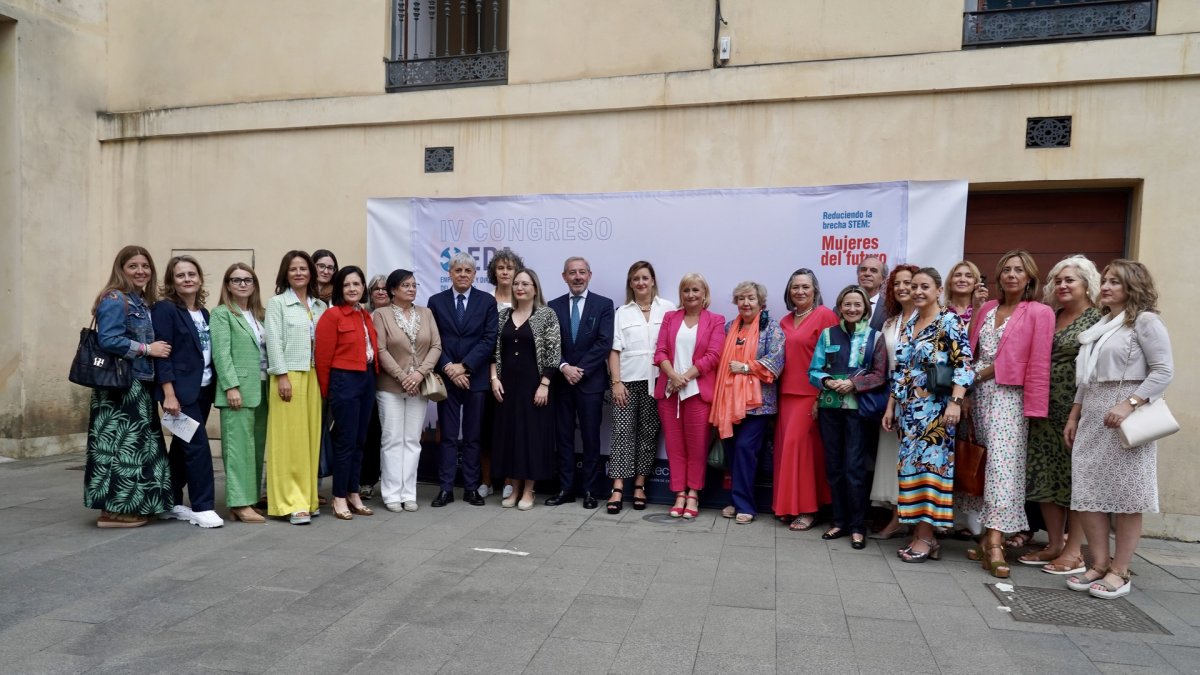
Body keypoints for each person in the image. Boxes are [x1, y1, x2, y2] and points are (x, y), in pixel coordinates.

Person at [1064, 259, 1173, 599]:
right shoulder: (1103, 325)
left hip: (1127, 416)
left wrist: (1129, 404)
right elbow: (1087, 378)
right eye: (1106, 280)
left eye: (1115, 282)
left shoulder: (1146, 321)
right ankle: (1098, 563)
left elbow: (1163, 370)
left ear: (1133, 287)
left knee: (1127, 496)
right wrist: (1074, 415)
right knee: (1088, 493)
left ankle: (1120, 571)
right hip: (1094, 414)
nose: (1106, 286)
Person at [964, 250, 1054, 578]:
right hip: (978, 396)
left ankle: (995, 544)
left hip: (1010, 397)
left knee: (1003, 469)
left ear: (1030, 277)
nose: (1012, 275)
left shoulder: (1040, 312)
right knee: (985, 465)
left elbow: (1038, 361)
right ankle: (986, 538)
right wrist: (965, 393)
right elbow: (970, 352)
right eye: (1006, 270)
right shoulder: (987, 308)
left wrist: (1036, 407)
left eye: (1019, 270)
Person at [883, 267, 973, 562]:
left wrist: (955, 402)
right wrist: (891, 406)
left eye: (924, 286)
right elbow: (902, 371)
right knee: (910, 471)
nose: (918, 291)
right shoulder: (910, 323)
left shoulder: (949, 321)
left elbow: (963, 364)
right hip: (909, 414)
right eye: (914, 286)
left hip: (936, 413)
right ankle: (921, 535)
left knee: (930, 471)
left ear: (938, 290)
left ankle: (926, 537)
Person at [1019, 255, 1102, 573]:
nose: (1063, 285)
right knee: (1045, 476)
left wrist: (1078, 415)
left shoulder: (1098, 320)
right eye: (1058, 280)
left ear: (1087, 284)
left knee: (1074, 479)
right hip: (1043, 409)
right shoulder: (1051, 316)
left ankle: (1074, 551)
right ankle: (1053, 544)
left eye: (1070, 280)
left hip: (1077, 411)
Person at [84, 245, 174, 528]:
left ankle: (129, 507)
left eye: (145, 266)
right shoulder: (115, 298)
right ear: (121, 269)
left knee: (135, 445)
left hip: (137, 382)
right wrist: (147, 348)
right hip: (121, 386)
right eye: (133, 266)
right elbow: (109, 340)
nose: (140, 271)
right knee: (122, 447)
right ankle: (115, 512)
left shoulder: (141, 301)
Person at [810, 285, 889, 550]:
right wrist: (828, 381)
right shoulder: (828, 334)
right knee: (833, 466)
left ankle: (857, 526)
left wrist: (854, 384)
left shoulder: (875, 337)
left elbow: (880, 374)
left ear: (865, 308)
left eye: (857, 304)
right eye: (847, 304)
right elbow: (814, 370)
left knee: (854, 468)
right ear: (840, 307)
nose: (852, 309)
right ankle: (839, 521)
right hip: (830, 407)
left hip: (858, 410)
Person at [152, 255, 222, 529]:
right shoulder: (165, 309)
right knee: (198, 448)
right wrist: (168, 394)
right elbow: (163, 355)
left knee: (181, 449)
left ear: (200, 278)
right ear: (172, 281)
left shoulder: (204, 313)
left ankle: (168, 501)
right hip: (179, 394)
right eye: (180, 275)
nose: (187, 279)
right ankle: (203, 507)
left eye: (191, 274)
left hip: (202, 390)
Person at [711, 281, 785, 524]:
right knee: (733, 451)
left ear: (760, 301)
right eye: (741, 298)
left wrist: (745, 367)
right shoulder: (729, 327)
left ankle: (745, 506)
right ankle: (736, 500)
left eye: (751, 298)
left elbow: (776, 362)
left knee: (745, 449)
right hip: (729, 402)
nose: (746, 303)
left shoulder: (771, 327)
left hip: (758, 405)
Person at [428, 252, 498, 507]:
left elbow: (489, 339)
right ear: (450, 273)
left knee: (473, 436)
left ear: (474, 274)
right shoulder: (436, 302)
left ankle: (471, 488)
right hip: (447, 379)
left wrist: (465, 367)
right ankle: (445, 489)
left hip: (475, 379)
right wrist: (449, 367)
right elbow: (434, 339)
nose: (463, 275)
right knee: (447, 436)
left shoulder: (486, 302)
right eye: (458, 270)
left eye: (468, 271)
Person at [264, 250, 327, 525]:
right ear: (285, 274)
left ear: (311, 273)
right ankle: (290, 502)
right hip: (288, 375)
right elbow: (273, 341)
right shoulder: (277, 303)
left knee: (309, 439)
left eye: (303, 268)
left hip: (313, 375)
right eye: (293, 269)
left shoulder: (320, 306)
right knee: (289, 441)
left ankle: (308, 498)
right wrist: (281, 375)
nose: (299, 273)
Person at [606, 261, 675, 514]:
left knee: (648, 434)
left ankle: (639, 485)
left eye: (645, 277)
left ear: (653, 280)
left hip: (657, 382)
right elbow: (614, 350)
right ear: (631, 283)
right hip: (626, 381)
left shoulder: (668, 309)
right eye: (636, 279)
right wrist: (616, 383)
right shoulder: (622, 312)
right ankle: (617, 488)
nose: (641, 282)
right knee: (622, 433)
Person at [491, 269, 562, 510]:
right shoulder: (503, 315)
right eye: (516, 284)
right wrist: (494, 378)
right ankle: (514, 488)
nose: (520, 288)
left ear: (535, 288)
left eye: (525, 284)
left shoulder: (546, 315)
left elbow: (553, 352)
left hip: (534, 386)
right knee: (510, 436)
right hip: (506, 387)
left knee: (532, 437)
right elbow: (493, 351)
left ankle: (529, 490)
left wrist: (544, 384)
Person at [655, 273, 724, 520]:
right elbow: (660, 352)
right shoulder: (670, 317)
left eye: (696, 290)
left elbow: (713, 356)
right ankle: (679, 494)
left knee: (697, 447)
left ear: (704, 294)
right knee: (674, 446)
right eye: (686, 290)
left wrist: (684, 377)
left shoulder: (715, 320)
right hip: (669, 393)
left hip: (697, 392)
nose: (691, 294)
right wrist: (673, 376)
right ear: (681, 294)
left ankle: (693, 493)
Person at [772, 268, 837, 531]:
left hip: (811, 394)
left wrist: (822, 396)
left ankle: (809, 509)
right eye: (795, 287)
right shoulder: (784, 321)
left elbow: (834, 360)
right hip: (785, 395)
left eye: (805, 287)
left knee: (803, 452)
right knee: (787, 453)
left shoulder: (825, 315)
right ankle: (790, 506)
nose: (800, 291)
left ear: (815, 290)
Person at [547, 256, 615, 509]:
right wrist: (564, 367)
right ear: (564, 276)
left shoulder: (604, 305)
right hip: (562, 382)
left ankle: (589, 490)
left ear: (589, 275)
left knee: (591, 438)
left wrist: (580, 370)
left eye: (582, 272)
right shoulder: (552, 307)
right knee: (563, 437)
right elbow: (550, 343)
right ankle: (565, 489)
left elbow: (604, 342)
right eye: (572, 272)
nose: (577, 277)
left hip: (590, 383)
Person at [373, 269, 442, 513]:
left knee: (412, 440)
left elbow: (436, 346)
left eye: (414, 285)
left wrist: (419, 374)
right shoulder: (381, 314)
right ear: (393, 290)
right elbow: (380, 349)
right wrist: (403, 377)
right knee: (392, 440)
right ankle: (392, 494)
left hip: (418, 386)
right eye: (406, 285)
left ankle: (408, 493)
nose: (411, 289)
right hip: (390, 387)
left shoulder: (426, 313)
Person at [315, 266, 379, 521]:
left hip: (367, 378)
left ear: (363, 287)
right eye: (347, 285)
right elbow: (322, 358)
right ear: (340, 289)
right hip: (345, 381)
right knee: (346, 441)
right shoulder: (332, 315)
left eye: (357, 284)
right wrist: (327, 392)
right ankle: (339, 496)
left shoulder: (364, 314)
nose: (352, 289)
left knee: (361, 440)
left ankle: (353, 492)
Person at [210, 263, 269, 524]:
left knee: (255, 449)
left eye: (248, 279)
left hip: (262, 387)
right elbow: (221, 353)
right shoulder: (222, 314)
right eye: (236, 280)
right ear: (228, 285)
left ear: (255, 285)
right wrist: (230, 386)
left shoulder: (260, 315)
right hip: (238, 390)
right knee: (238, 448)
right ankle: (239, 502)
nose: (243, 284)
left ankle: (250, 499)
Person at [868, 263, 920, 540]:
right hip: (890, 396)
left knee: (914, 459)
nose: (901, 288)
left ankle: (914, 521)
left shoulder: (929, 319)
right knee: (892, 457)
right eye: (896, 283)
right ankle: (898, 516)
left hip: (918, 396)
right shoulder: (890, 322)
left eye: (907, 282)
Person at [484, 247, 525, 499]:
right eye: (501, 268)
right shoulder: (484, 299)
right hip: (486, 372)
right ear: (493, 272)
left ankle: (510, 480)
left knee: (511, 428)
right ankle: (486, 481)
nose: (505, 272)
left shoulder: (525, 300)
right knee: (486, 428)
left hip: (515, 374)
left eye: (510, 268)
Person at [358, 274, 391, 500]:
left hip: (392, 381)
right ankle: (366, 481)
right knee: (369, 432)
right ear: (369, 293)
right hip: (367, 380)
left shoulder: (398, 315)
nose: (380, 292)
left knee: (388, 434)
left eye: (384, 288)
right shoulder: (363, 315)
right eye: (375, 289)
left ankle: (392, 482)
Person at [945, 260, 989, 329]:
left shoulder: (987, 312)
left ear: (976, 282)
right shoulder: (939, 312)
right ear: (950, 282)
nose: (962, 280)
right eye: (957, 275)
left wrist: (977, 307)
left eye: (969, 276)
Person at [857, 255, 889, 331]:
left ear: (883, 279)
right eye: (863, 270)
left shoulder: (890, 310)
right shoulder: (840, 309)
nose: (867, 273)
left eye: (873, 271)